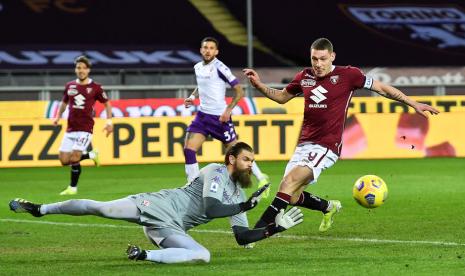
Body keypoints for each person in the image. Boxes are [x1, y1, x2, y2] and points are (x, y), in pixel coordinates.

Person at [243, 37, 439, 232]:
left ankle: (257, 232)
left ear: (332, 57)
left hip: (327, 145)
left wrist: (413, 103)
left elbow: (382, 88)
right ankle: (328, 207)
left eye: (322, 59)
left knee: (288, 182)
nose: (318, 64)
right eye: (314, 59)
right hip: (304, 144)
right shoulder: (304, 76)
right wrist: (259, 85)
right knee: (291, 196)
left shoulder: (349, 75)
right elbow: (281, 97)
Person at [9, 142, 303, 264]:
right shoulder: (215, 170)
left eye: (252, 160)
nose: (251, 165)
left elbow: (242, 238)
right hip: (159, 205)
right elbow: (213, 208)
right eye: (246, 159)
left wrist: (274, 229)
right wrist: (245, 208)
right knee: (102, 209)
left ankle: (144, 256)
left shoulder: (239, 196)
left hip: (171, 227)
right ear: (231, 159)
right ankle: (40, 209)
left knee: (203, 255)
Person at [184, 37, 270, 197]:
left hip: (220, 118)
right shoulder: (198, 67)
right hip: (202, 116)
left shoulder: (220, 68)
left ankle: (261, 178)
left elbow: (239, 91)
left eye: (211, 48)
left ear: (216, 52)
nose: (208, 50)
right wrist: (192, 96)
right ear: (201, 50)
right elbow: (201, 84)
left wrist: (228, 110)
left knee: (236, 153)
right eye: (205, 47)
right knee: (189, 150)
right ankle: (193, 187)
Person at [53, 56, 113, 195]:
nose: (81, 71)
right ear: (76, 69)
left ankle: (72, 188)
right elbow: (64, 103)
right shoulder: (70, 86)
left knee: (74, 157)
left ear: (88, 70)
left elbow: (107, 104)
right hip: (70, 128)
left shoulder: (96, 87)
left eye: (84, 68)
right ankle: (92, 154)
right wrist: (57, 117)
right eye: (78, 68)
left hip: (85, 129)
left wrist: (109, 122)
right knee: (63, 160)